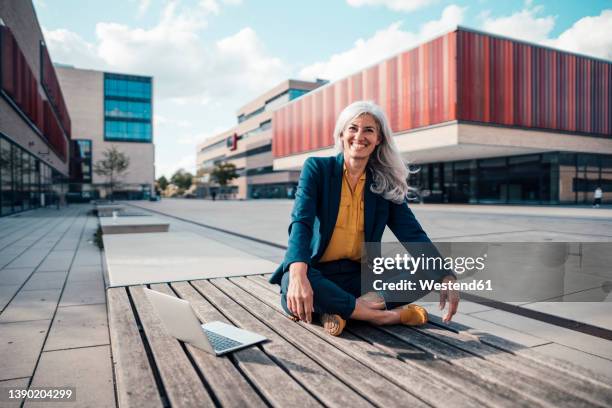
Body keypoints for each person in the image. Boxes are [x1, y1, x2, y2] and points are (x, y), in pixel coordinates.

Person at [269, 100, 459, 336]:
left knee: (427, 272)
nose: (360, 136)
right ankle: (381, 316)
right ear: (341, 133)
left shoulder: (384, 183)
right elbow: (301, 222)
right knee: (291, 284)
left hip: (360, 279)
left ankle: (341, 309)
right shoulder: (317, 168)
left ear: (379, 139)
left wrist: (446, 276)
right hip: (317, 272)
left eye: (369, 130)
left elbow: (412, 234)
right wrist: (298, 275)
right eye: (353, 128)